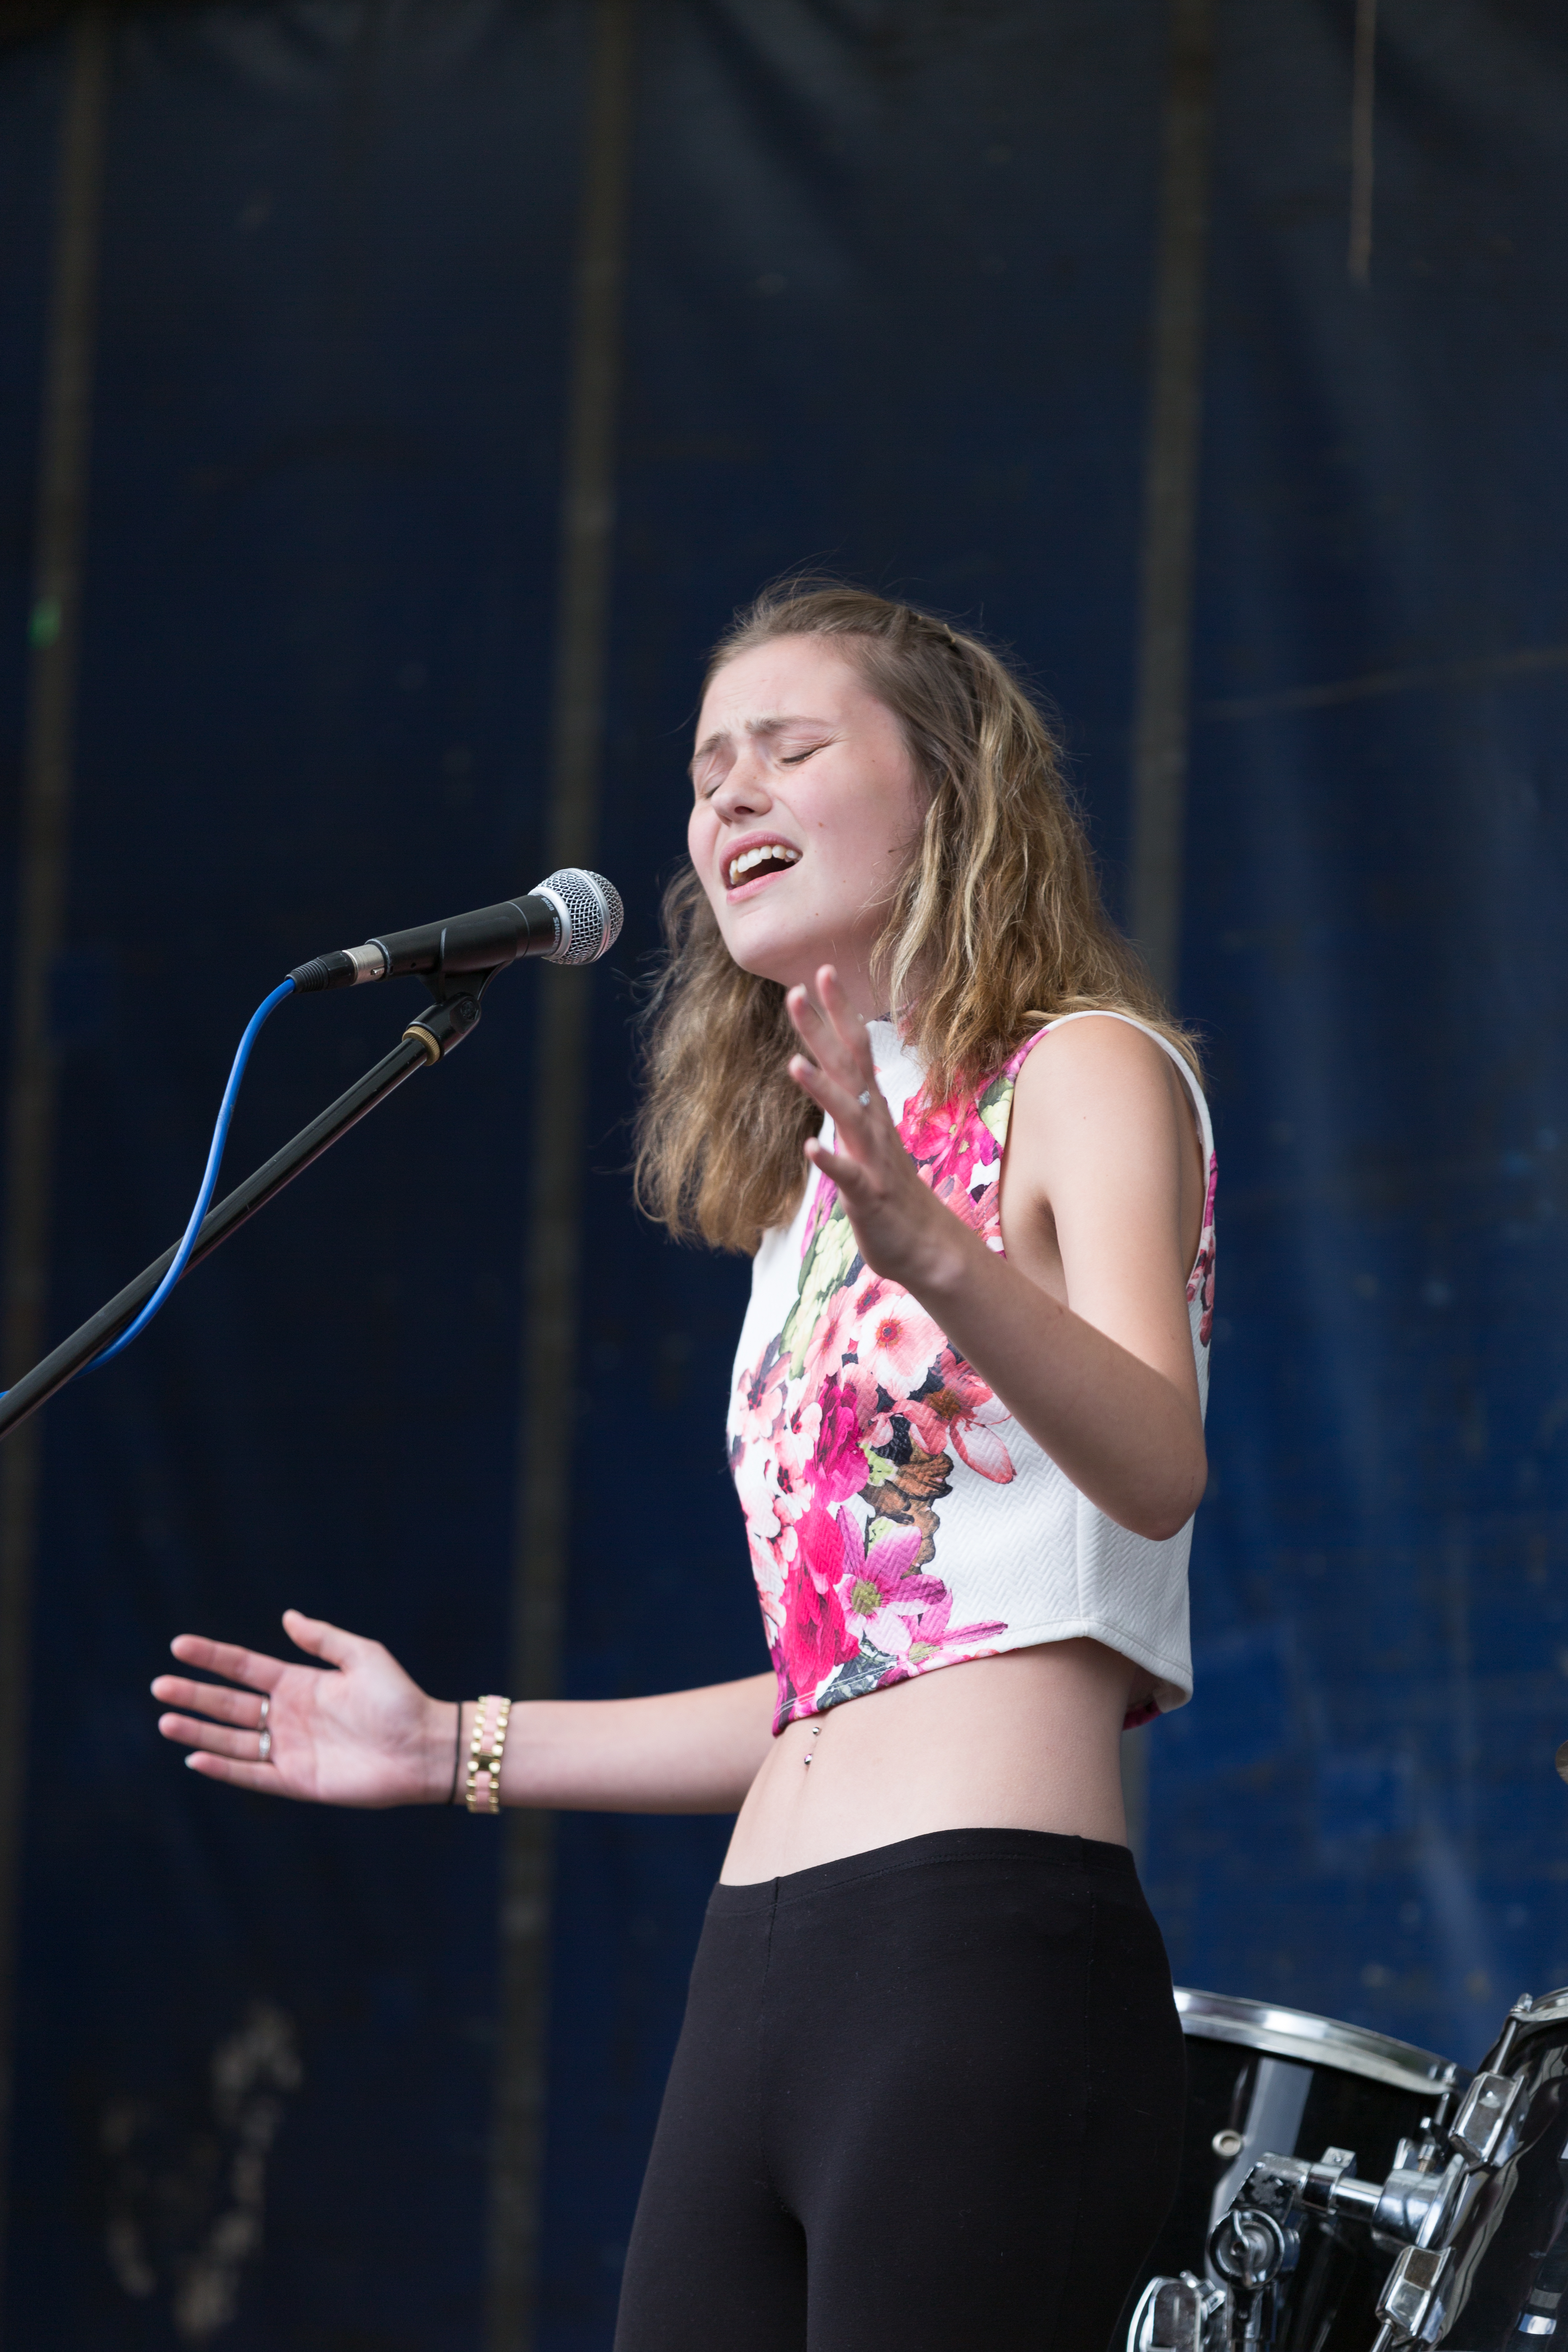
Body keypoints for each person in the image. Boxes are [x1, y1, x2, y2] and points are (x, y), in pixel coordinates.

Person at [153, 582, 1217, 2351]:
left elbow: (1159, 1462)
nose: (727, 798)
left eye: (790, 750)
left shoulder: (1083, 1074)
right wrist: (447, 1749)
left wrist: (941, 1257)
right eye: (707, 770)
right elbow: (834, 1688)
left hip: (975, 1941)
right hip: (761, 1965)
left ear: (946, 794)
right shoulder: (810, 1211)